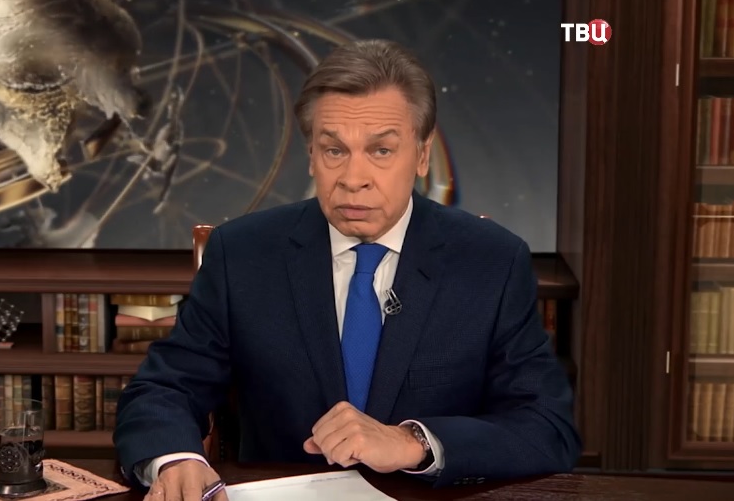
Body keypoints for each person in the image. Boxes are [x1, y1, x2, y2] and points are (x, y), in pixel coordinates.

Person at [113, 38, 582, 500]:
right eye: (334, 150)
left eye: (381, 151)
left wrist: (414, 443)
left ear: (422, 155)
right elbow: (165, 387)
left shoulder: (491, 262)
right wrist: (175, 459)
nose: (354, 180)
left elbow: (546, 427)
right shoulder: (243, 254)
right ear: (311, 156)